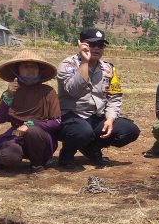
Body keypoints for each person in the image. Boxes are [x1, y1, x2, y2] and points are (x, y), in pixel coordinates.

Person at [57, 28, 140, 168]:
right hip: (71, 117)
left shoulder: (108, 69)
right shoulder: (68, 65)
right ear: (81, 44)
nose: (96, 48)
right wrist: (85, 62)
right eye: (91, 44)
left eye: (100, 45)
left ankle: (92, 149)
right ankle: (67, 154)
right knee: (83, 132)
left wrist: (110, 118)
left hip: (97, 117)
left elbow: (114, 97)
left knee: (130, 130)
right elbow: (73, 91)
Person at [0, 51, 61, 173]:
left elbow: (56, 121)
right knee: (8, 156)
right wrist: (8, 96)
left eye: (33, 66)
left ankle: (37, 164)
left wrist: (30, 125)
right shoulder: (11, 92)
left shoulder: (48, 92)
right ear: (17, 71)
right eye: (26, 66)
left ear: (39, 70)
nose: (30, 70)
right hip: (16, 135)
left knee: (33, 132)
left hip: (40, 137)